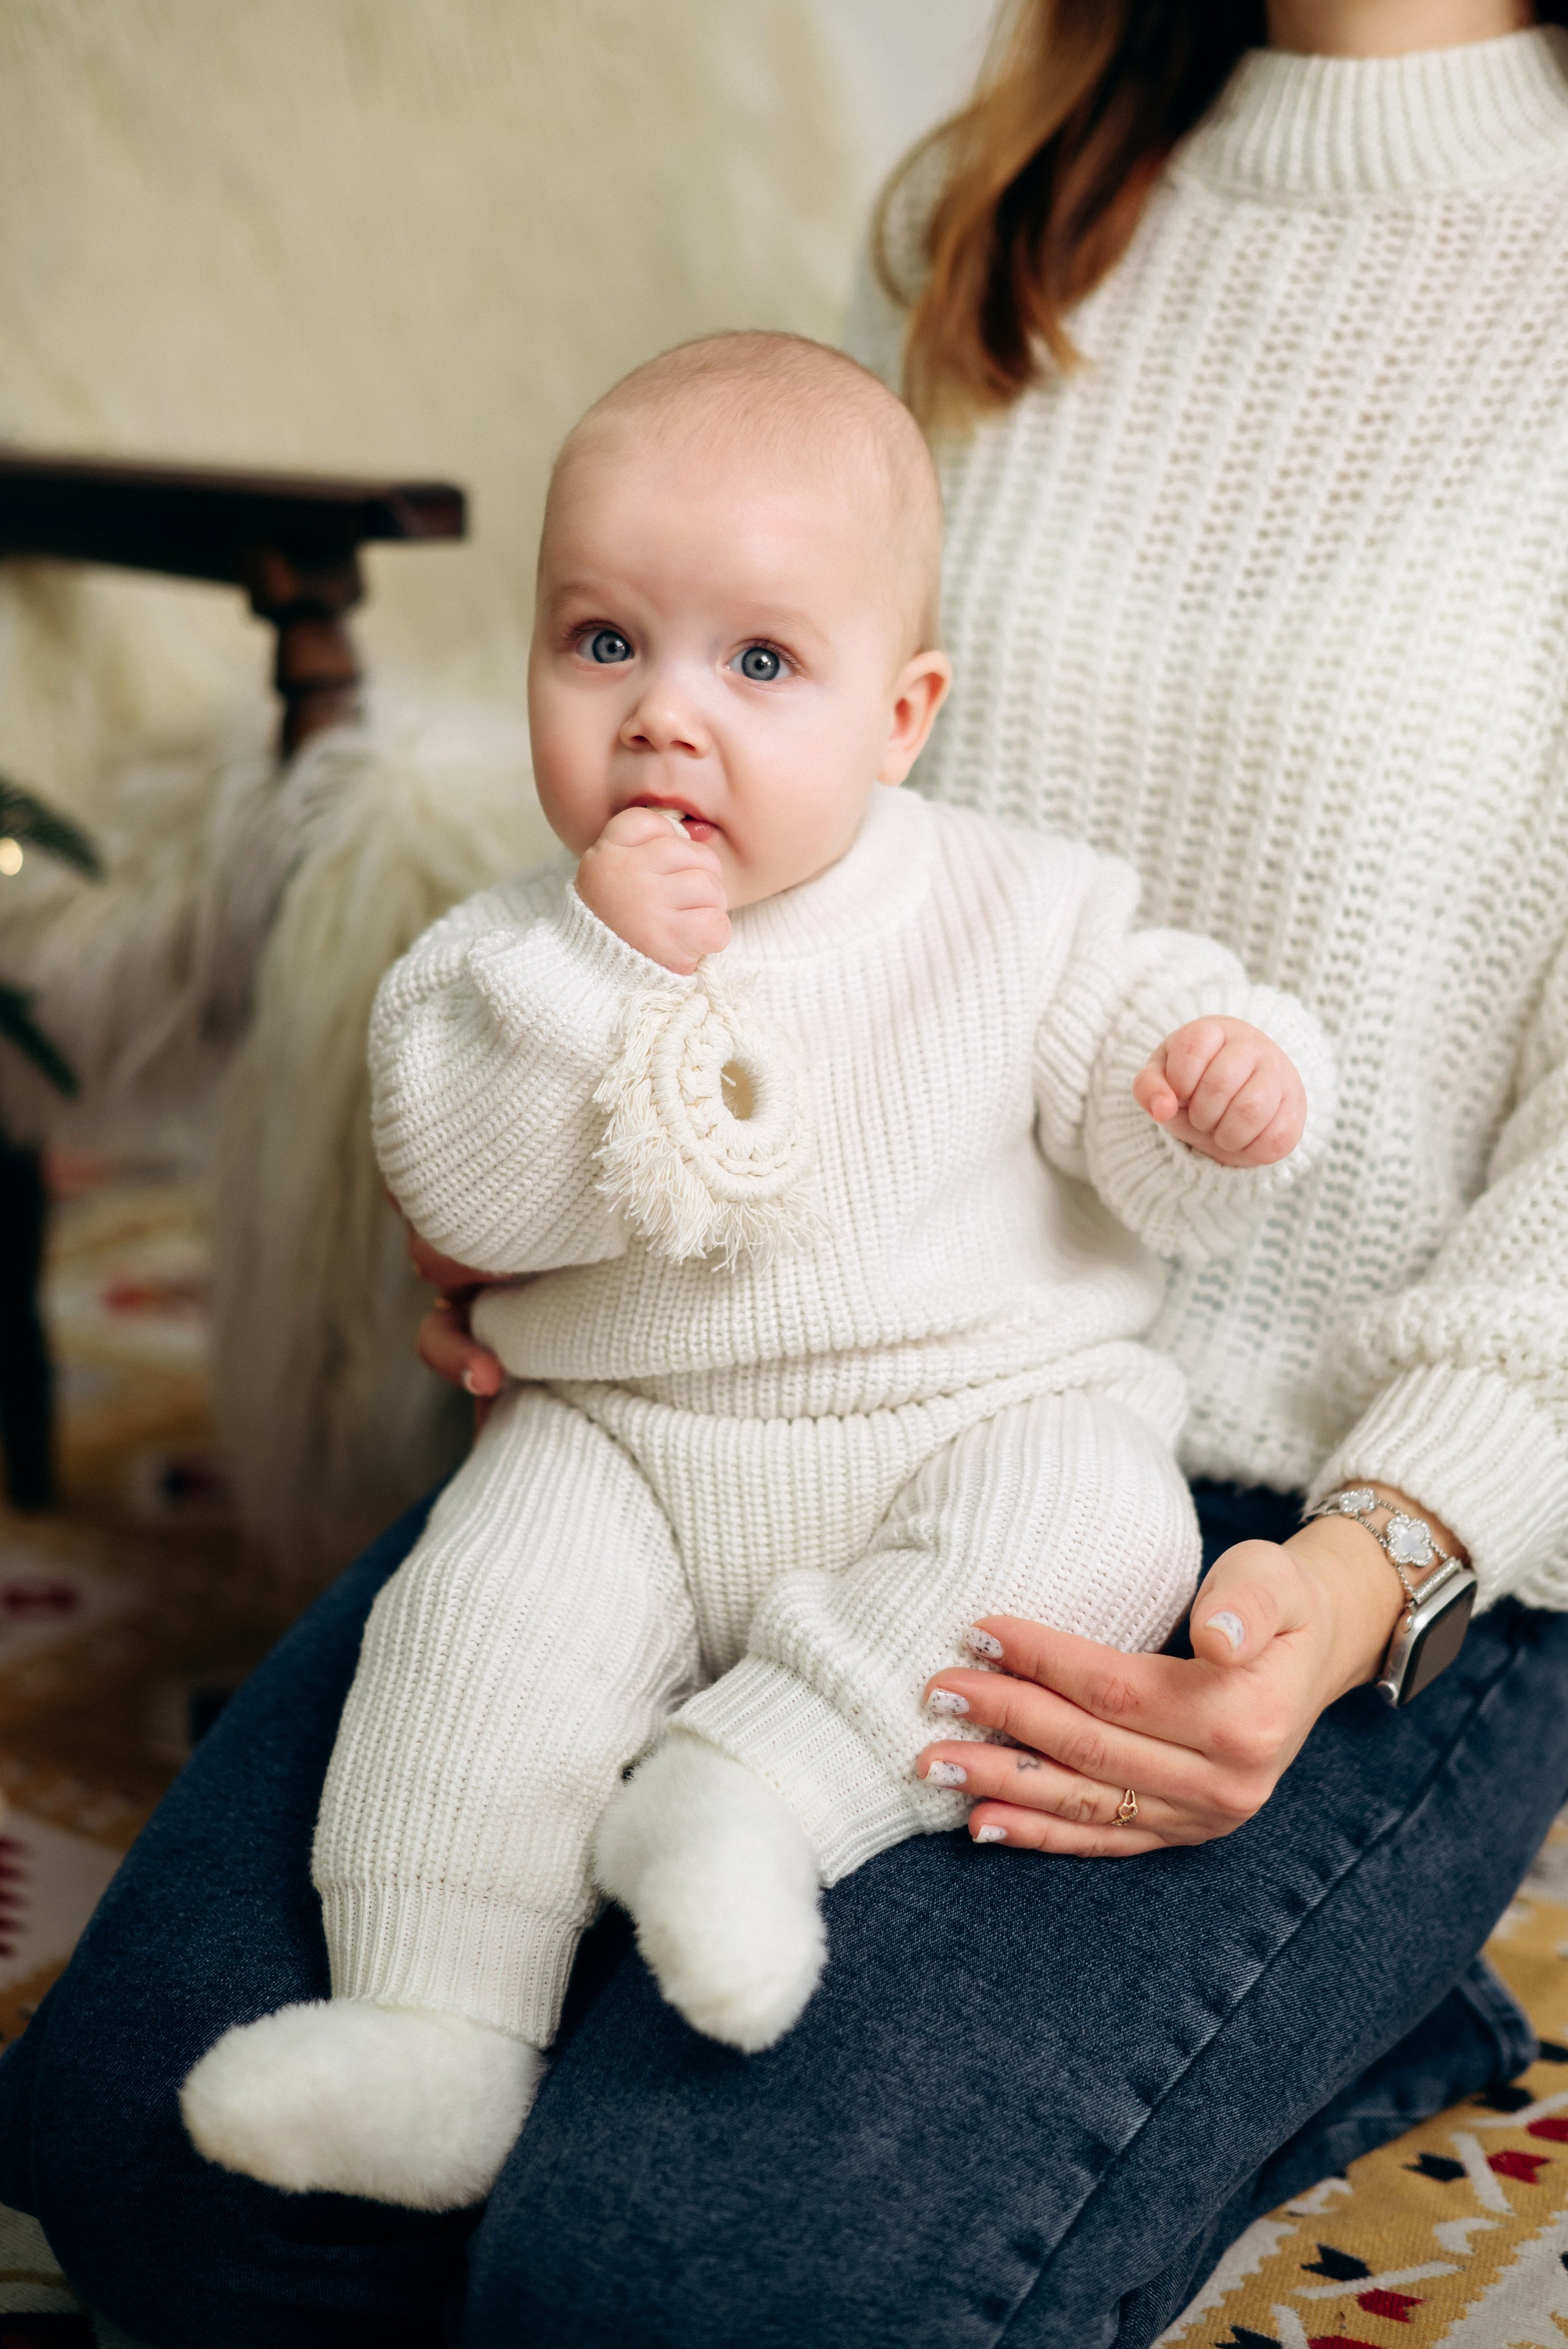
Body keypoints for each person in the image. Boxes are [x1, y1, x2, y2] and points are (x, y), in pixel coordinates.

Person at [6, 4, 1568, 2345]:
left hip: (1303, 1511)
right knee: (159, 2155)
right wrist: (552, 1153)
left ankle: (1325, 1971)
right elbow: (764, 775)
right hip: (737, 1367)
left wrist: (1372, 1573)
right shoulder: (995, 212)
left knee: (679, 2281)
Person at [178, 331, 1326, 2217]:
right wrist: (609, 976)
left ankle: (754, 1792)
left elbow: (1139, 1064)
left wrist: (1213, 1081)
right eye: (603, 641)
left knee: (1100, 1530)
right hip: (620, 1442)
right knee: (469, 1636)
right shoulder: (506, 957)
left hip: (969, 1419)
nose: (663, 717)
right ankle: (436, 2029)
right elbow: (462, 1178)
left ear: (904, 712)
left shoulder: (1015, 904)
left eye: (761, 662)